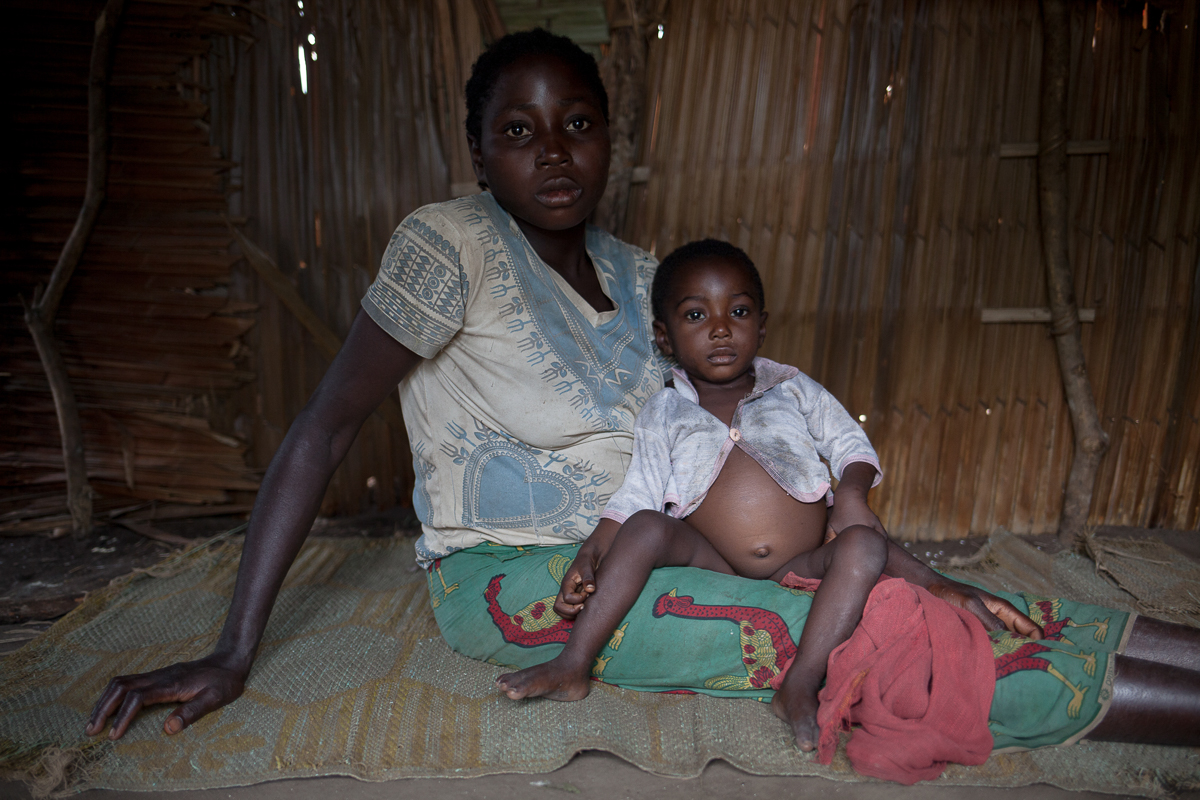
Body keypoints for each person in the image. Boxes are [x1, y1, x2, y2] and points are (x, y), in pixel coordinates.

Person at [86, 28, 1200, 755]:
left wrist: (855, 526)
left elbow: (740, 432)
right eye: (518, 133)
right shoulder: (450, 245)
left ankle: (1122, 643)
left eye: (579, 123)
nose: (554, 153)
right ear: (479, 155)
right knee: (862, 643)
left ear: (610, 137)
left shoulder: (643, 275)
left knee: (948, 594)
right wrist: (235, 647)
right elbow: (325, 428)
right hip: (537, 580)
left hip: (689, 544)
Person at [495, 238, 920, 750]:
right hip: (713, 559)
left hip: (806, 559)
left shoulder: (792, 388)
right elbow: (639, 495)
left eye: (738, 311)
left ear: (761, 325)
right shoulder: (665, 412)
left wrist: (852, 495)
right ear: (664, 336)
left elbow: (851, 444)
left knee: (867, 547)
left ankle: (800, 684)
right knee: (647, 526)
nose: (721, 328)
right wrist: (590, 553)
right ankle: (572, 664)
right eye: (696, 315)